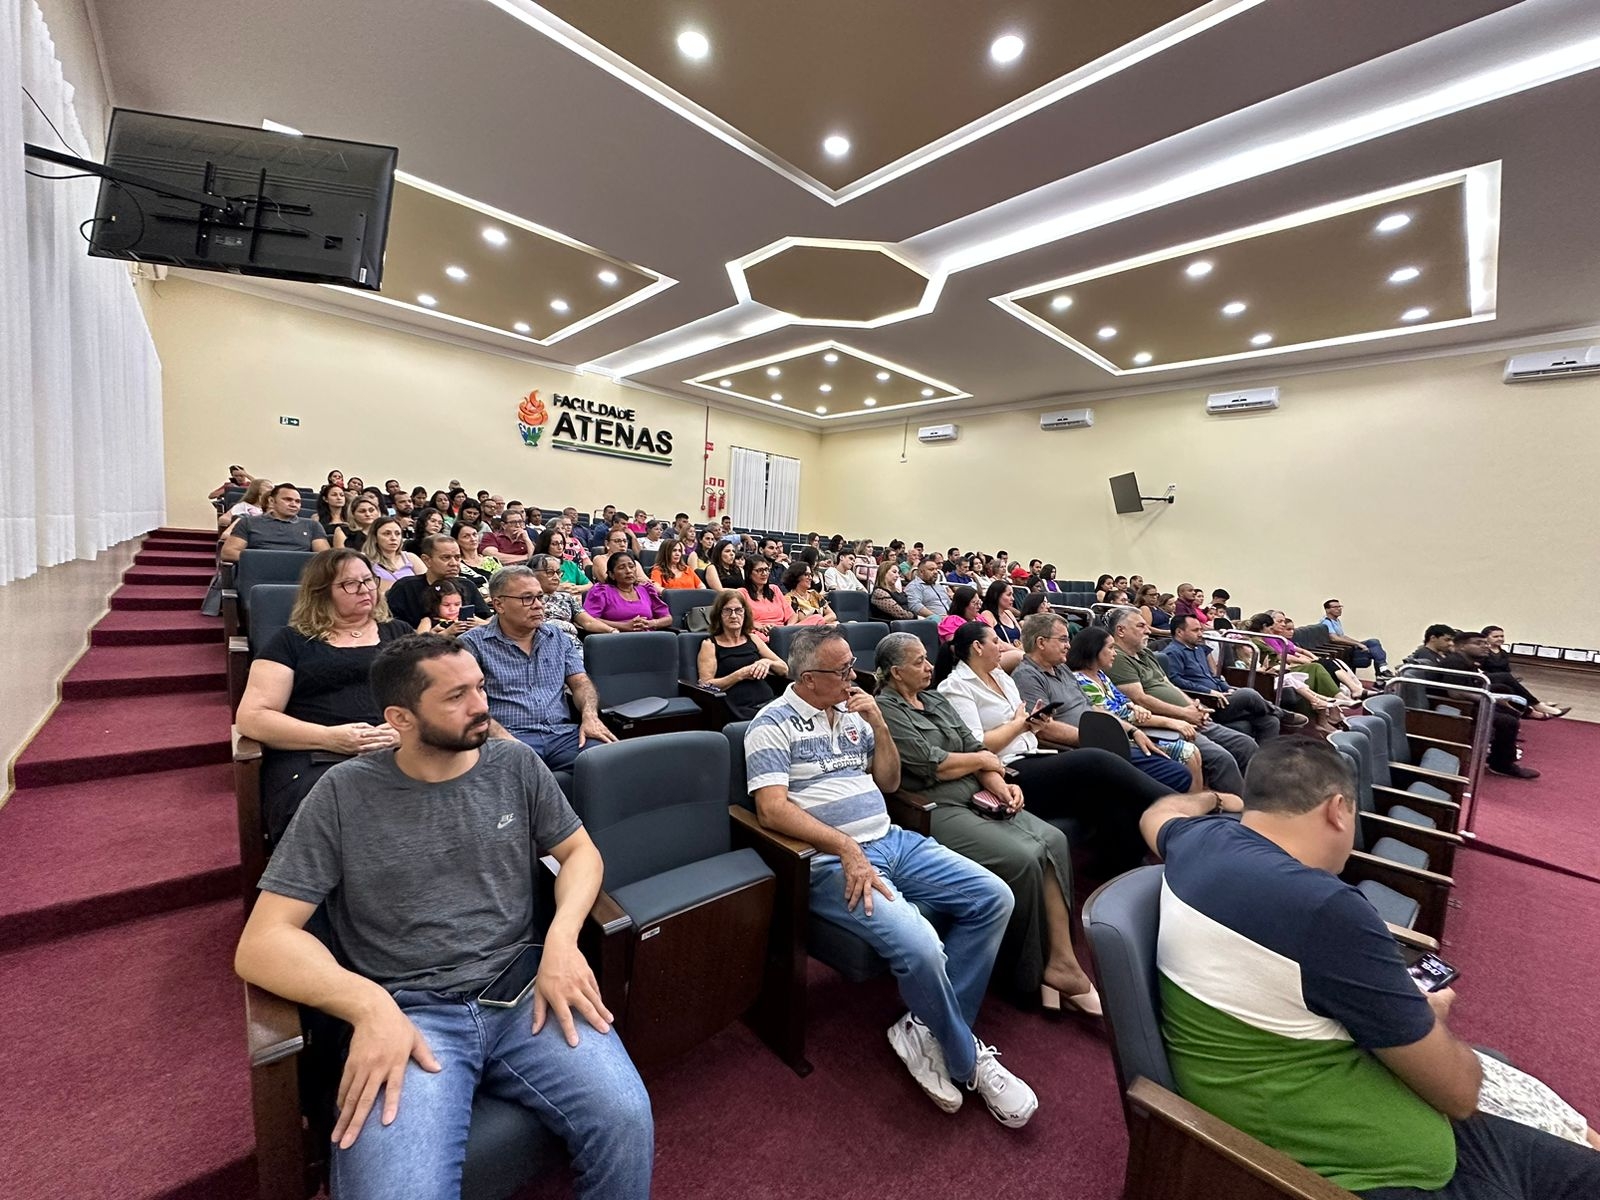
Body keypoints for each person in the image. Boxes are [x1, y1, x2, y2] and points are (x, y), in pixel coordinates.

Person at [235, 634, 652, 1200]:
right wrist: (367, 1005)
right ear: (400, 718)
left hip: (521, 989)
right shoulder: (342, 793)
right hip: (411, 1013)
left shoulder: (514, 763)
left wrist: (562, 941)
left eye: (480, 687)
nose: (482, 705)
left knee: (627, 1118)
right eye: (457, 696)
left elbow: (580, 853)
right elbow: (263, 942)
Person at [1143, 738, 1600, 1198]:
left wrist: (1211, 799)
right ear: (1338, 809)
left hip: (1342, 1120)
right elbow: (1459, 1093)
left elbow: (1157, 813)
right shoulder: (1326, 910)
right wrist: (1431, 1016)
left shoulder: (1198, 840)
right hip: (1377, 1172)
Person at [745, 626, 1038, 1127]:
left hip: (895, 841)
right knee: (922, 945)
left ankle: (923, 1028)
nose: (854, 676)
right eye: (842, 671)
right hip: (834, 861)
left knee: (994, 897)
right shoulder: (771, 724)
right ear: (809, 678)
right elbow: (770, 809)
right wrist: (845, 846)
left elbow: (889, 781)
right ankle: (968, 1059)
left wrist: (879, 724)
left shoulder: (855, 713)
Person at [874, 633, 1101, 1014]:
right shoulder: (887, 709)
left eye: (926, 659)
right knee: (1024, 857)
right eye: (918, 662)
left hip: (978, 792)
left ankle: (1061, 962)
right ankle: (1025, 974)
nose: (929, 666)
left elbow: (974, 746)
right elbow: (933, 764)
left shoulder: (934, 699)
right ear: (896, 673)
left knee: (1054, 840)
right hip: (934, 805)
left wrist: (1002, 786)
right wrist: (982, 763)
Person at [933, 621, 1184, 872]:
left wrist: (1034, 724)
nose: (1002, 647)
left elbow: (1022, 724)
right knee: (1097, 760)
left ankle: (1121, 866)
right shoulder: (956, 687)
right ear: (977, 647)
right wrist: (1020, 725)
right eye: (995, 641)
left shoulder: (1000, 677)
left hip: (1036, 753)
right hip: (1007, 770)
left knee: (1114, 794)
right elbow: (977, 745)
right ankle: (1180, 807)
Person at [235, 549, 412, 843]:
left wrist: (405, 733)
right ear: (321, 592)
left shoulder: (400, 633)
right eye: (350, 584)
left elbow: (433, 697)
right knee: (353, 809)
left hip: (399, 748)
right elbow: (252, 717)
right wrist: (330, 738)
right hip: (316, 755)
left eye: (368, 580)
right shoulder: (290, 642)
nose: (365, 589)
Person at [1013, 612, 1195, 793]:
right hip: (1084, 751)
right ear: (1041, 642)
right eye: (1062, 640)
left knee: (1178, 770)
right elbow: (1043, 728)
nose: (1068, 645)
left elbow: (1093, 708)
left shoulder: (1062, 668)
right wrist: (1101, 739)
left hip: (1105, 740)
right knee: (1176, 774)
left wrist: (1132, 730)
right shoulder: (1027, 676)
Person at [462, 567, 617, 768]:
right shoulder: (471, 644)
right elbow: (467, 704)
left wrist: (590, 717)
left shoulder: (557, 637)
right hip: (507, 736)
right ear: (499, 604)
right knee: (509, 773)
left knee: (611, 763)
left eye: (540, 597)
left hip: (562, 734)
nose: (538, 605)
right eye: (527, 598)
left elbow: (580, 683)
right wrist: (503, 738)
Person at [1102, 611, 1251, 792]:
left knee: (1245, 744)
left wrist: (1193, 706)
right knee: (1222, 758)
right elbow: (1139, 699)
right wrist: (1185, 714)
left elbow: (1170, 685)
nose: (1148, 631)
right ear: (1121, 631)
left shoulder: (1145, 653)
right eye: (1140, 626)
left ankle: (1258, 797)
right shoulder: (1117, 658)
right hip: (1168, 723)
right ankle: (1236, 806)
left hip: (1190, 716)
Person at [1160, 614, 1302, 738]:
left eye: (1201, 630)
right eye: (1195, 630)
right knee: (1248, 694)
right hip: (1207, 702)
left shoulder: (1198, 649)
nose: (1200, 634)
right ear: (1179, 632)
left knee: (1270, 721)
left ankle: (1263, 757)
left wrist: (1227, 688)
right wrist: (1210, 692)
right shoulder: (1172, 653)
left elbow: (1212, 676)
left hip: (1221, 696)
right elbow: (1175, 681)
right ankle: (1283, 714)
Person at [1440, 630, 1539, 780]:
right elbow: (1455, 693)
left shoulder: (1467, 661)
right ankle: (1501, 765)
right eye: (1478, 643)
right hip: (1453, 706)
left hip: (1466, 703)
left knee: (1510, 710)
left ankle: (1501, 756)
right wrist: (1492, 699)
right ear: (1461, 646)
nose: (1485, 646)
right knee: (1507, 721)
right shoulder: (1455, 662)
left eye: (1485, 643)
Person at [697, 589, 789, 719]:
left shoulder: (753, 638)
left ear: (745, 613)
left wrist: (767, 662)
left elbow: (784, 669)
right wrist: (740, 675)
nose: (734, 615)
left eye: (738, 610)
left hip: (769, 704)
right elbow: (706, 685)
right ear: (719, 615)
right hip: (736, 709)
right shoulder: (709, 644)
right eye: (727, 610)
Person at [386, 535, 493, 629]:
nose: (454, 563)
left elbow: (488, 619)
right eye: (446, 557)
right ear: (427, 560)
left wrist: (481, 625)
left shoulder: (467, 585)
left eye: (457, 557)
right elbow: (391, 628)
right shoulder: (405, 588)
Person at [221, 483, 332, 562]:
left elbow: (324, 557)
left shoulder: (312, 525)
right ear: (271, 501)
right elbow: (228, 552)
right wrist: (271, 560)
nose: (294, 504)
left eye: (298, 501)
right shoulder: (248, 522)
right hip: (258, 573)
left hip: (300, 574)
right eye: (287, 499)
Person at [1481, 626, 1568, 719]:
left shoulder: (1503, 653)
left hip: (1504, 679)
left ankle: (1533, 708)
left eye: (1501, 636)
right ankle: (1537, 706)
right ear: (1486, 638)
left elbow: (1506, 669)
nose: (1500, 639)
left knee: (1510, 684)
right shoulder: (1482, 651)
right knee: (1507, 679)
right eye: (1495, 636)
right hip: (1487, 678)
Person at [583, 551, 672, 632]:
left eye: (631, 566)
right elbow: (589, 620)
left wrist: (651, 623)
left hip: (647, 638)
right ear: (611, 574)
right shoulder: (601, 591)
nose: (629, 571)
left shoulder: (646, 590)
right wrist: (623, 626)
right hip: (615, 638)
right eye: (622, 568)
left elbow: (667, 619)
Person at [527, 553, 605, 642]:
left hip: (571, 643)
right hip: (544, 642)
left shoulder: (566, 597)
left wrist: (612, 631)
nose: (556, 577)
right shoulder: (526, 600)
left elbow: (588, 622)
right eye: (550, 572)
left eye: (558, 573)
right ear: (533, 574)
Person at [1322, 599, 1391, 675]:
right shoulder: (1326, 622)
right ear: (1327, 610)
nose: (1339, 609)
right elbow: (1334, 638)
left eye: (1340, 606)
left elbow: (1342, 636)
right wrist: (1358, 644)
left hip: (1347, 648)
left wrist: (1358, 643)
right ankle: (1382, 672)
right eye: (1335, 607)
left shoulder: (1336, 621)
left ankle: (1382, 669)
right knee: (1377, 652)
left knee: (1374, 642)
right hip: (1342, 652)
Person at [366, 516, 426, 595]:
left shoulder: (411, 558)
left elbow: (427, 586)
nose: (393, 538)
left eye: (397, 534)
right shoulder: (366, 562)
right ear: (375, 537)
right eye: (387, 534)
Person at [741, 558, 794, 641]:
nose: (764, 573)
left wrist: (787, 629)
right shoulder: (741, 593)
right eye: (760, 570)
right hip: (760, 632)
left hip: (782, 630)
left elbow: (792, 616)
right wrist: (755, 625)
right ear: (749, 573)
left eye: (766, 569)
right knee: (756, 637)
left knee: (815, 619)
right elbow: (739, 619)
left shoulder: (774, 589)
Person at [452, 523, 501, 590]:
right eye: (466, 536)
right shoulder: (456, 565)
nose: (473, 539)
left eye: (474, 534)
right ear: (456, 540)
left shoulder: (493, 560)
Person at [979, 580, 1023, 651]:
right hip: (1001, 652)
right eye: (1008, 595)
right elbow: (992, 640)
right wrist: (1017, 650)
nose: (1013, 599)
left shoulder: (1008, 613)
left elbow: (1022, 635)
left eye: (1012, 595)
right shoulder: (987, 614)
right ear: (997, 596)